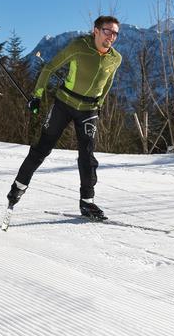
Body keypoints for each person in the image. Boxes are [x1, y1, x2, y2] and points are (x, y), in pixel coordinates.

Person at [7, 15, 123, 219]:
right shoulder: (79, 46)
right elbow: (49, 67)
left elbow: (108, 83)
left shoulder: (116, 58)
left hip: (89, 110)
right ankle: (18, 186)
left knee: (87, 156)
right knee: (42, 148)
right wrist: (37, 96)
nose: (111, 37)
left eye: (115, 33)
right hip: (64, 104)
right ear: (96, 30)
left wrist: (101, 104)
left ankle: (87, 202)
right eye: (107, 31)